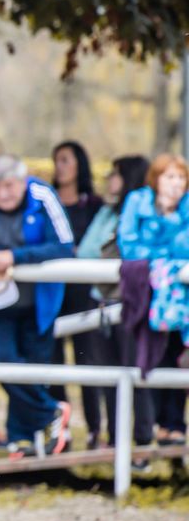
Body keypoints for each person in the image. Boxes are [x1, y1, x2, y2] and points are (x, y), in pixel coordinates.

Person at [0, 154, 74, 459]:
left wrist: (15, 256)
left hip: (39, 302)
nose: (4, 193)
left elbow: (64, 245)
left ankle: (21, 439)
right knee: (0, 359)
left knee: (32, 370)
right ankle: (50, 411)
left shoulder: (42, 195)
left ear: (23, 182)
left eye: (10, 185)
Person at [75, 155, 149, 448]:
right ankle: (117, 438)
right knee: (107, 375)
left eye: (115, 174)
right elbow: (87, 252)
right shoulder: (108, 213)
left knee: (136, 373)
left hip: (130, 303)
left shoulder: (138, 216)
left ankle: (142, 441)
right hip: (102, 301)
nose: (109, 180)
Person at [117, 153, 189, 445]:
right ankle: (152, 426)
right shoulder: (137, 202)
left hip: (181, 299)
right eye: (170, 177)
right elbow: (129, 243)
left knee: (178, 356)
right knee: (150, 356)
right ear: (156, 179)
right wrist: (165, 261)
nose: (176, 184)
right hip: (146, 295)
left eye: (181, 178)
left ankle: (174, 424)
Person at [49, 140, 111, 444]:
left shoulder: (94, 206)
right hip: (53, 294)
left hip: (84, 294)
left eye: (65, 160)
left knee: (89, 361)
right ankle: (61, 430)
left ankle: (95, 428)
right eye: (56, 160)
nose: (59, 166)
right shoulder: (48, 201)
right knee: (54, 363)